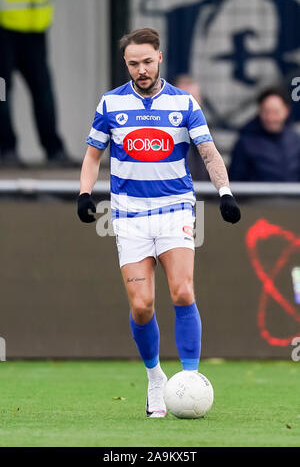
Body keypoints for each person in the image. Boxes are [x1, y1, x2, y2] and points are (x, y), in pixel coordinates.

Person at [77, 28, 241, 418]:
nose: (141, 69)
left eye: (147, 61)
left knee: (183, 292)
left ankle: (188, 381)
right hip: (130, 216)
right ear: (126, 64)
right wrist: (85, 194)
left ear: (160, 58)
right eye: (133, 63)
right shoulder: (111, 103)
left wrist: (225, 193)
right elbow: (92, 157)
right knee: (142, 304)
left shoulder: (183, 103)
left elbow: (209, 151)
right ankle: (155, 378)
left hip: (175, 211)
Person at [0, 0, 72, 167]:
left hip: (36, 27)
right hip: (4, 29)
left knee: (43, 90)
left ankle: (54, 149)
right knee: (2, 91)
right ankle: (6, 149)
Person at [229, 86, 300, 181]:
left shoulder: (295, 141)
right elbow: (236, 179)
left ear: (286, 111)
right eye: (266, 112)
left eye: (276, 112)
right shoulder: (245, 142)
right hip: (257, 196)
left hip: (292, 196)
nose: (271, 118)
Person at [173, 74, 209, 181]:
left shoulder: (205, 131)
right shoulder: (162, 134)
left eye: (194, 98)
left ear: (200, 100)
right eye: (184, 99)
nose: (189, 105)